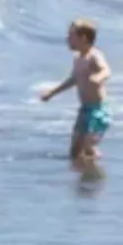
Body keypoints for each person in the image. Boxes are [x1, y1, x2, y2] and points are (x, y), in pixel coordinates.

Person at [40, 20, 112, 163]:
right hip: (84, 110)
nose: (67, 40)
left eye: (71, 36)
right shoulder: (78, 59)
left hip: (97, 111)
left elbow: (106, 70)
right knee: (75, 151)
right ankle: (87, 167)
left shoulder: (94, 55)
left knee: (87, 146)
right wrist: (52, 92)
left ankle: (93, 170)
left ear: (83, 38)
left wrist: (99, 77)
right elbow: (73, 79)